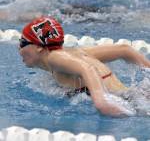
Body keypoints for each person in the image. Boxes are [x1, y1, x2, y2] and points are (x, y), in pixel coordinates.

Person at [19, 16, 150, 117]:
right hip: (136, 97)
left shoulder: (54, 58)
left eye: (23, 42)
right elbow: (124, 49)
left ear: (38, 47)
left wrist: (101, 101)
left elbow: (87, 69)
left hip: (131, 103)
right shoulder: (76, 52)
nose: (18, 48)